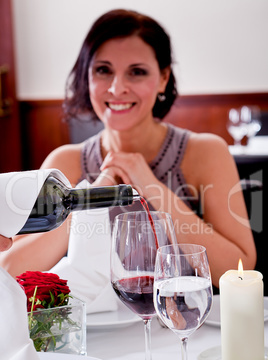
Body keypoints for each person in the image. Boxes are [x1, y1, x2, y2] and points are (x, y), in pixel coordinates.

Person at [0, 9, 256, 289]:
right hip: (92, 332)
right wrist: (87, 202)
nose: (116, 87)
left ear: (162, 78)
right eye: (103, 70)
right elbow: (9, 269)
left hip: (183, 327)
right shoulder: (64, 163)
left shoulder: (205, 152)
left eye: (136, 72)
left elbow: (237, 271)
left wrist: (151, 185)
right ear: (87, 77)